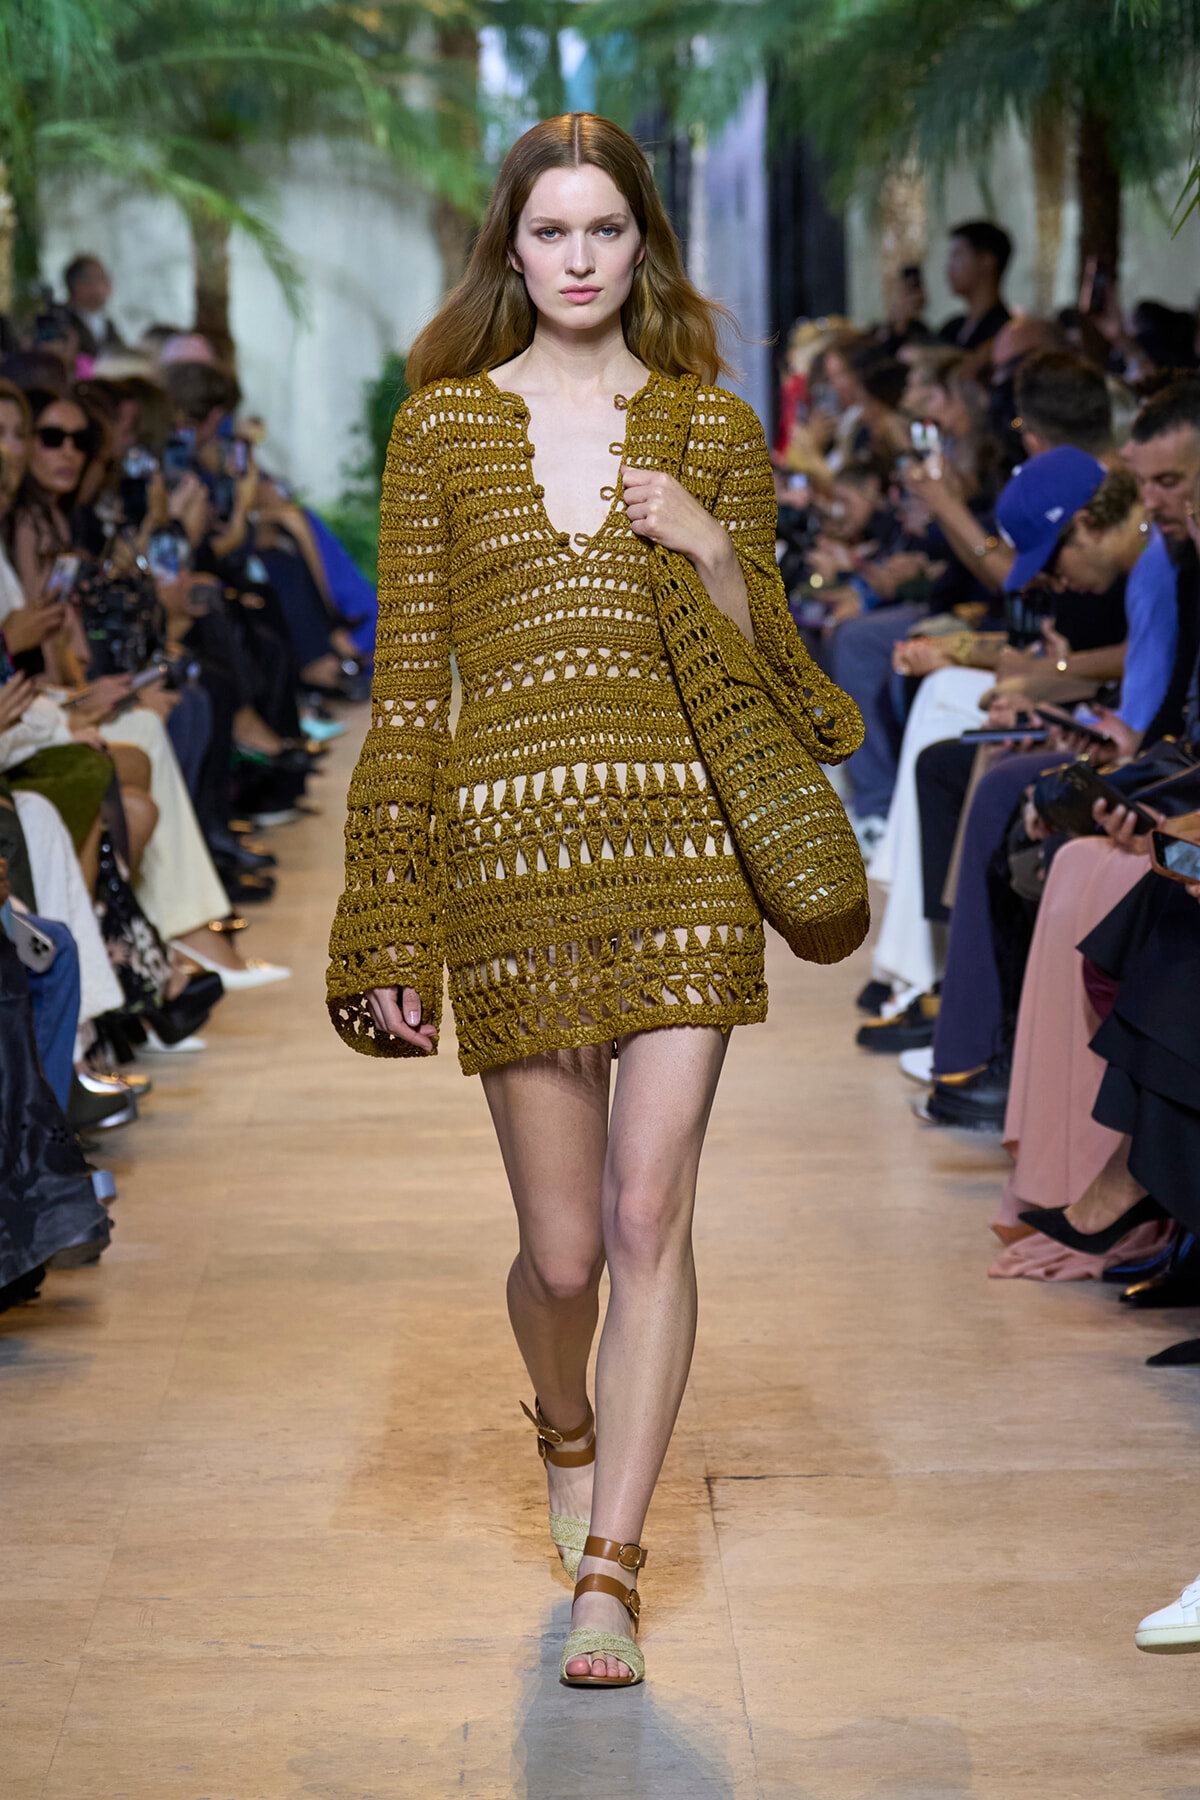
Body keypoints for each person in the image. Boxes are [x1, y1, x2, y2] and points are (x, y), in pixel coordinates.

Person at [326, 111, 862, 1690]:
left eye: (605, 232)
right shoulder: (442, 434)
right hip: (507, 870)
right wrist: (385, 911)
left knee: (649, 1217)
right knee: (562, 1259)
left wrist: (709, 552)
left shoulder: (711, 429)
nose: (576, 260)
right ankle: (561, 1417)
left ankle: (614, 1564)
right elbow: (410, 690)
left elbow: (779, 678)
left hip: (685, 856)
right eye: (549, 233)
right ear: (511, 245)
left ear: (644, 246)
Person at [938, 220, 1012, 352]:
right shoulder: (952, 328)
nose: (949, 266)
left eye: (957, 255)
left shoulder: (1004, 331)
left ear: (987, 261)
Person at [61, 256, 125, 362]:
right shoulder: (61, 321)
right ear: (80, 287)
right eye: (101, 278)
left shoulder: (108, 324)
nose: (108, 284)